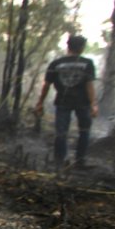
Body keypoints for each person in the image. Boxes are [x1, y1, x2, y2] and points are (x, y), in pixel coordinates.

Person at [35, 34, 99, 170]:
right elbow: (89, 85)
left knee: (61, 132)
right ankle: (80, 161)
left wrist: (40, 102)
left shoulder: (56, 64)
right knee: (84, 131)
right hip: (83, 102)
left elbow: (46, 85)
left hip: (63, 101)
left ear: (68, 46)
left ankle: (59, 161)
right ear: (81, 48)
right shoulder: (87, 63)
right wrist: (93, 104)